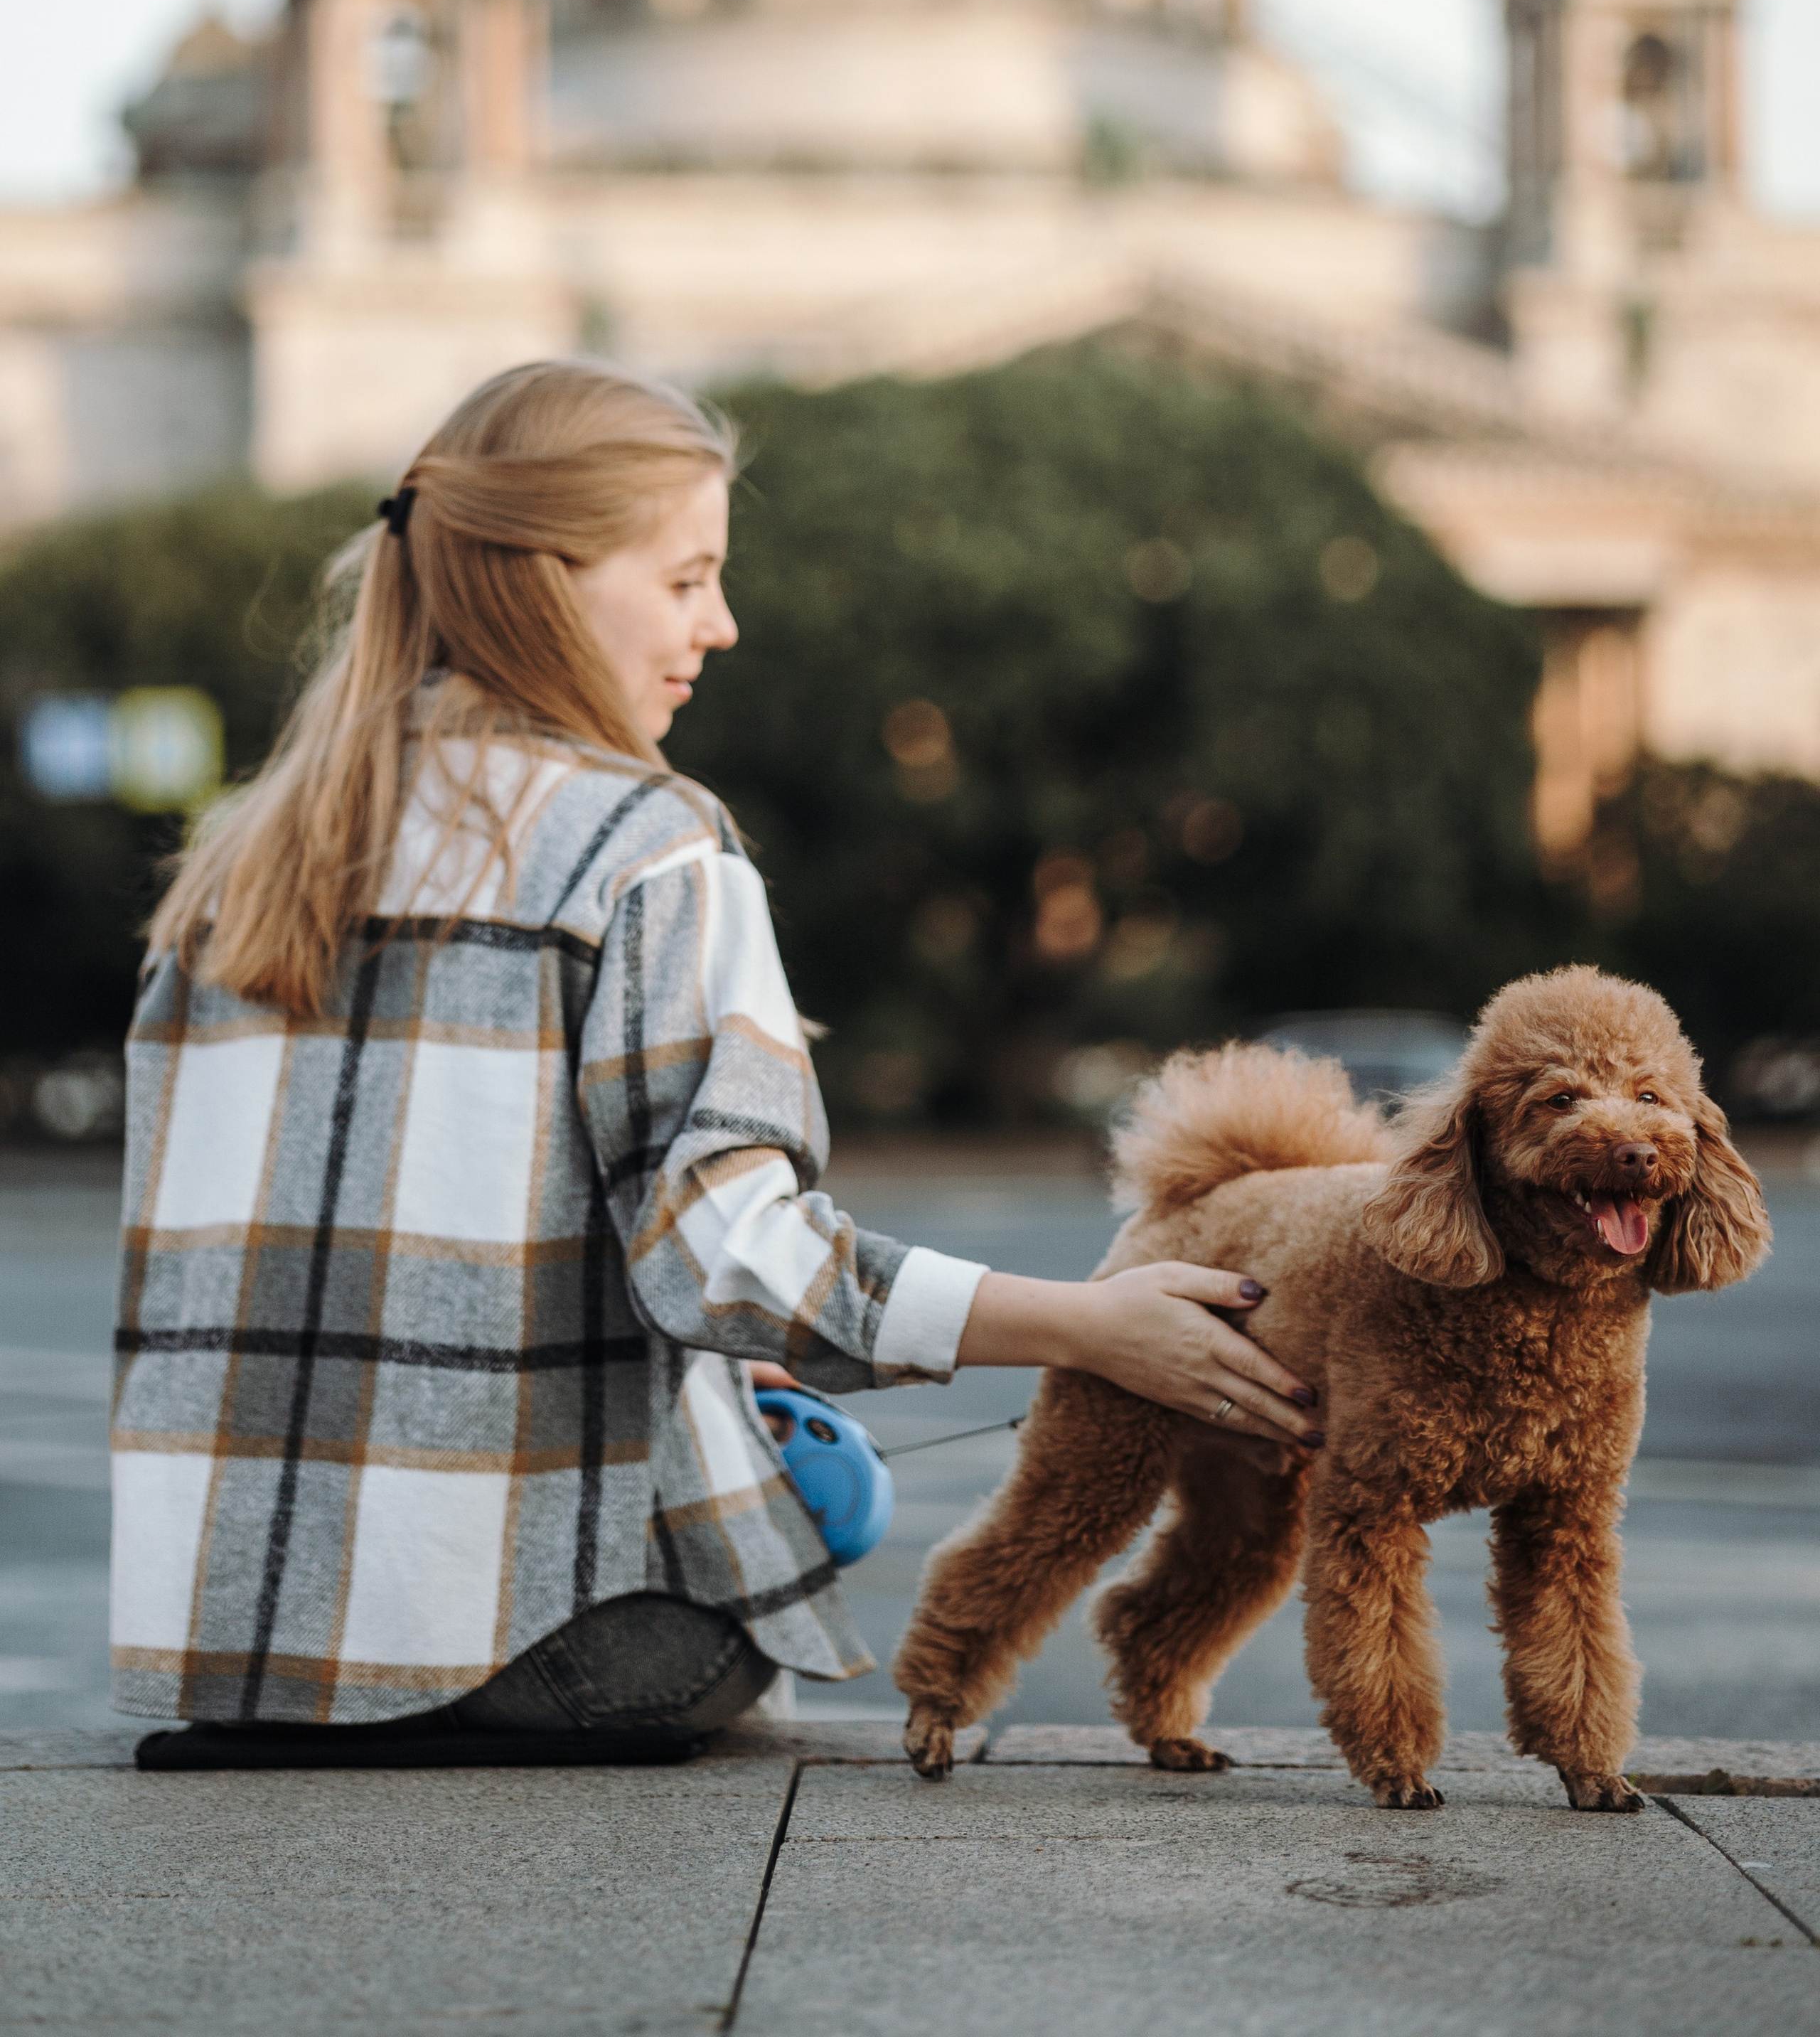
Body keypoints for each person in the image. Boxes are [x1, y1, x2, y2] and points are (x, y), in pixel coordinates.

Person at [112, 360, 1320, 1768]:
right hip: (532, 1662)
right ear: (551, 580)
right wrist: (1088, 1324)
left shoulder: (236, 861)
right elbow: (723, 1253)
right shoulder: (647, 844)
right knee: (780, 1550)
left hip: (237, 1654)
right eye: (686, 580)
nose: (722, 625)